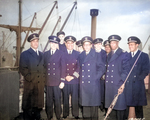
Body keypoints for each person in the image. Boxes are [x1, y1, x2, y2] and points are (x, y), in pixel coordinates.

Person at [78, 36, 105, 120]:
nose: (86, 47)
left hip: (93, 84)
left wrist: (96, 77)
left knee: (93, 107)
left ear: (91, 45)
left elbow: (102, 67)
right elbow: (78, 68)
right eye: (84, 45)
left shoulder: (96, 54)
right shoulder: (81, 55)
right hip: (84, 85)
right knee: (85, 107)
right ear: (82, 46)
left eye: (88, 45)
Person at [19, 33, 45, 120]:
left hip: (40, 84)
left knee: (38, 105)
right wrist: (30, 78)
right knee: (28, 105)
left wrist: (43, 79)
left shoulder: (42, 54)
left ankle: (37, 117)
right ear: (30, 43)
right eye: (33, 41)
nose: (36, 43)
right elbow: (23, 68)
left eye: (37, 41)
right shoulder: (25, 54)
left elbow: (44, 68)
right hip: (30, 84)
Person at [105, 35, 129, 120]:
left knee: (119, 107)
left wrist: (122, 83)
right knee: (111, 106)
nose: (112, 45)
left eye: (114, 43)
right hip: (110, 85)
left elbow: (126, 70)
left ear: (118, 43)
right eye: (111, 43)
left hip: (118, 83)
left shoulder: (124, 54)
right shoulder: (109, 54)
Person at [124, 36, 150, 119]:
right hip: (128, 85)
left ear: (137, 45)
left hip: (138, 84)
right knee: (126, 106)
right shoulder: (126, 56)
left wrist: (139, 78)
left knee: (138, 107)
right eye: (129, 45)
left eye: (132, 44)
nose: (130, 46)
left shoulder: (143, 56)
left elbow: (146, 69)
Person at [44, 36, 66, 120]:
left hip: (57, 81)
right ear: (49, 43)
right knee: (48, 100)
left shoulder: (61, 53)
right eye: (51, 43)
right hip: (48, 81)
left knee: (57, 99)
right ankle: (49, 116)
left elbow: (63, 68)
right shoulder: (45, 54)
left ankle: (58, 116)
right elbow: (44, 67)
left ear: (57, 44)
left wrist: (62, 81)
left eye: (55, 43)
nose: (53, 45)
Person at [62, 35, 80, 119]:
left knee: (75, 98)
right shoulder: (62, 53)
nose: (70, 45)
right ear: (65, 44)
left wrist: (73, 77)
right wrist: (65, 76)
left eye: (71, 43)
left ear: (73, 44)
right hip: (65, 79)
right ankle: (65, 114)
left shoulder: (77, 54)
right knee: (65, 97)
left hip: (74, 80)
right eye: (68, 43)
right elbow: (60, 66)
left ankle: (75, 114)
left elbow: (79, 67)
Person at [93, 38, 107, 112]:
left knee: (102, 91)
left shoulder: (104, 53)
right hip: (93, 75)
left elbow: (106, 64)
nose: (98, 45)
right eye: (97, 44)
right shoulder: (91, 52)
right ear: (94, 45)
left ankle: (102, 106)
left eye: (100, 44)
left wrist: (103, 74)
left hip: (102, 76)